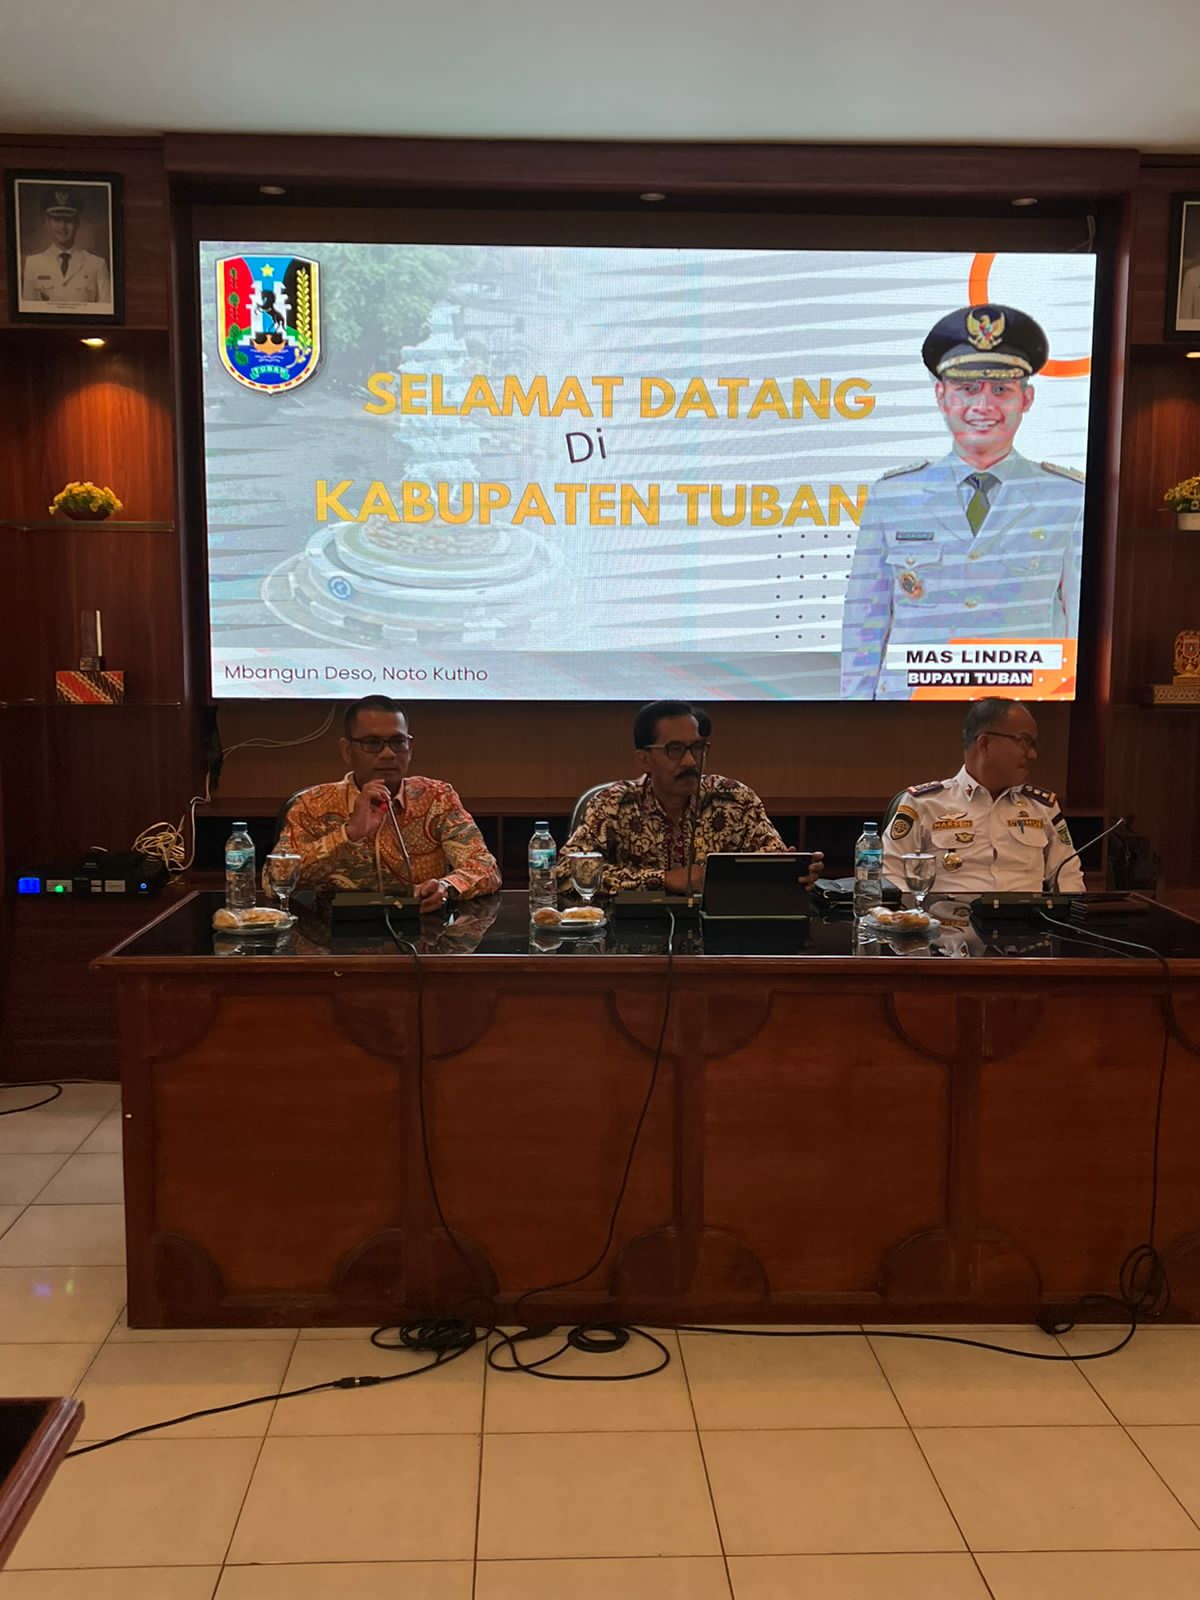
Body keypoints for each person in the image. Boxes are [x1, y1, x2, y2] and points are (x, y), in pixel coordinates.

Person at [840, 303, 1085, 700]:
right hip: (910, 710)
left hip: (1022, 709)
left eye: (1001, 390)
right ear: (941, 396)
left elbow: (1080, 623)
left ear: (1026, 399)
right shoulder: (894, 497)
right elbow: (865, 623)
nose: (983, 406)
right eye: (967, 389)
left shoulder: (1068, 499)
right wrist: (856, 712)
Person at [559, 699, 824, 896]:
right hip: (631, 937)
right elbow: (564, 874)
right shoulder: (613, 804)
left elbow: (772, 860)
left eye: (697, 748)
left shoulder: (734, 799)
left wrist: (793, 872)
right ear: (644, 759)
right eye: (675, 749)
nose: (690, 761)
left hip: (721, 935)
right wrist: (663, 879)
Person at [273, 694, 501, 912]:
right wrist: (348, 834)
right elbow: (274, 880)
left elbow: (485, 867)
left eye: (398, 742)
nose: (388, 754)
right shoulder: (312, 805)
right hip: (333, 930)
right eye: (372, 743)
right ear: (347, 751)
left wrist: (446, 887)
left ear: (410, 749)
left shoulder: (437, 798)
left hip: (421, 927)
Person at [882, 697, 1084, 895]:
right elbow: (889, 875)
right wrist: (911, 914)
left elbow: (1069, 877)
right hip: (946, 917)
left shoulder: (1043, 807)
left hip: (1027, 917)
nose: (1032, 754)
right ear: (985, 743)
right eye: (1024, 741)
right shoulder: (924, 804)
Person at [20, 188, 112, 306]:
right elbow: (29, 312)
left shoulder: (97, 265)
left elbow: (105, 311)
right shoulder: (32, 264)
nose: (62, 227)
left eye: (68, 220)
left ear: (77, 223)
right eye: (57, 220)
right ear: (47, 222)